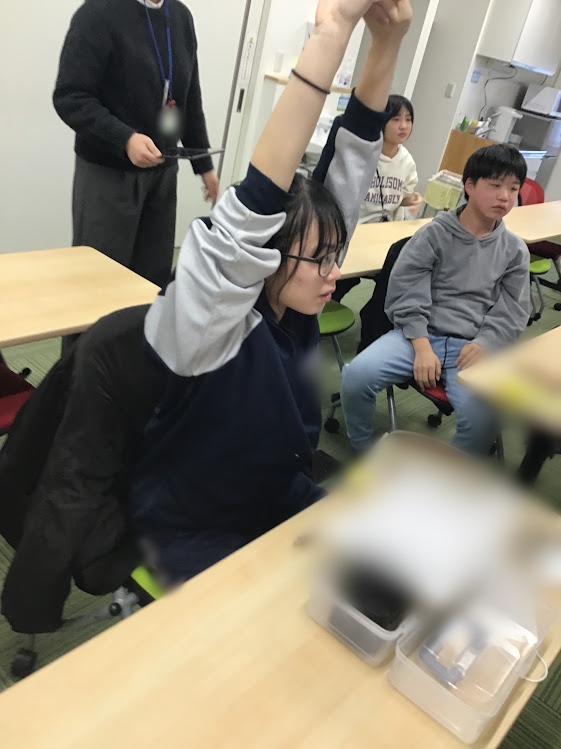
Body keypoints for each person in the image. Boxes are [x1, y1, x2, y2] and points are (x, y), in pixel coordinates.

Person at [128, 0, 413, 585]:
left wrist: (386, 43)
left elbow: (350, 167)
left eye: (335, 257)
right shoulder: (211, 315)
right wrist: (332, 34)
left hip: (275, 493)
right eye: (320, 260)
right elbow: (253, 205)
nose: (334, 274)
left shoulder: (296, 297)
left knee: (384, 564)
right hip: (194, 522)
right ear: (264, 256)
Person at [341, 144, 530, 455]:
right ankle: (362, 449)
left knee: (482, 420)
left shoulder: (514, 250)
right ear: (469, 186)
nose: (505, 197)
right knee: (356, 376)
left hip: (472, 345)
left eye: (513, 188)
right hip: (418, 335)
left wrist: (486, 342)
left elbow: (513, 309)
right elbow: (406, 289)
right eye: (495, 185)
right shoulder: (434, 234)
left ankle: (444, 474)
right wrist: (421, 345)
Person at [53, 0, 219, 296]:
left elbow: (190, 99)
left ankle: (142, 329)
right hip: (107, 176)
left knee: (151, 282)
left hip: (162, 176)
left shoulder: (180, 17)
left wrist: (204, 165)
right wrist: (125, 139)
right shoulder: (97, 13)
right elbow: (71, 97)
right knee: (97, 282)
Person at [332, 93, 420, 301]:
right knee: (341, 280)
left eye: (408, 120)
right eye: (396, 119)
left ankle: (374, 314)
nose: (403, 126)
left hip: (385, 234)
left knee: (396, 275)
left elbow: (398, 198)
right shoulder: (365, 154)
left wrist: (410, 200)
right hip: (355, 231)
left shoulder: (407, 161)